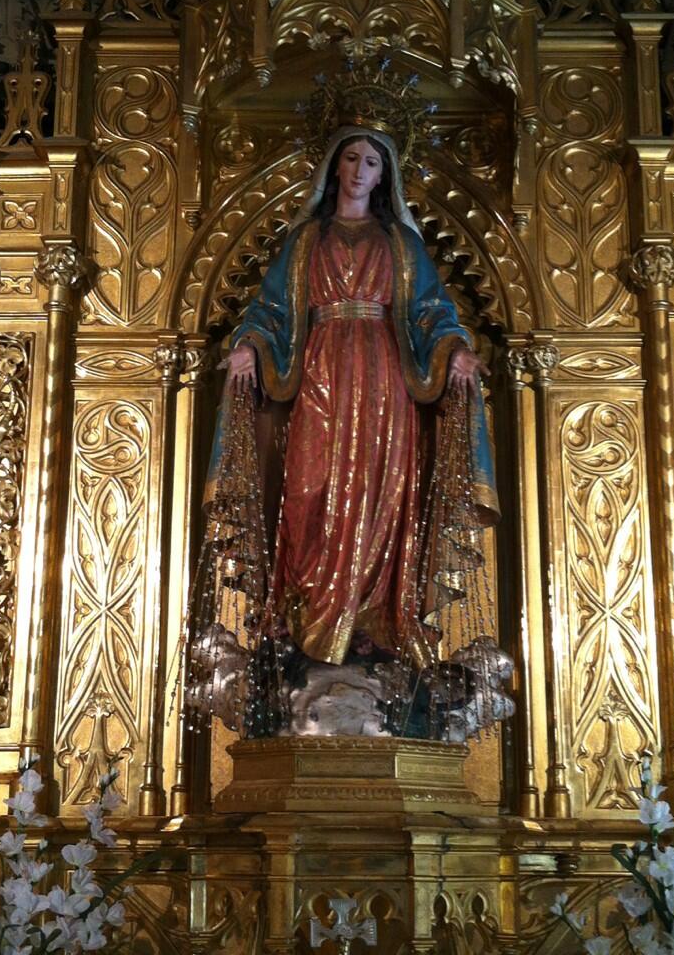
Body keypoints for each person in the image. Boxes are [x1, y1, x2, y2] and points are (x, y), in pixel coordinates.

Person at [206, 124, 499, 671]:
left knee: (381, 490)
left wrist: (455, 350)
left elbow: (431, 313)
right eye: (351, 158)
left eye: (372, 162)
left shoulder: (400, 243)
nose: (360, 170)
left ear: (385, 176)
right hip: (319, 371)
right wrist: (249, 346)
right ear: (334, 167)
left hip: (386, 380)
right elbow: (270, 311)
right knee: (309, 489)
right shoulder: (305, 241)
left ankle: (375, 621)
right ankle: (305, 620)